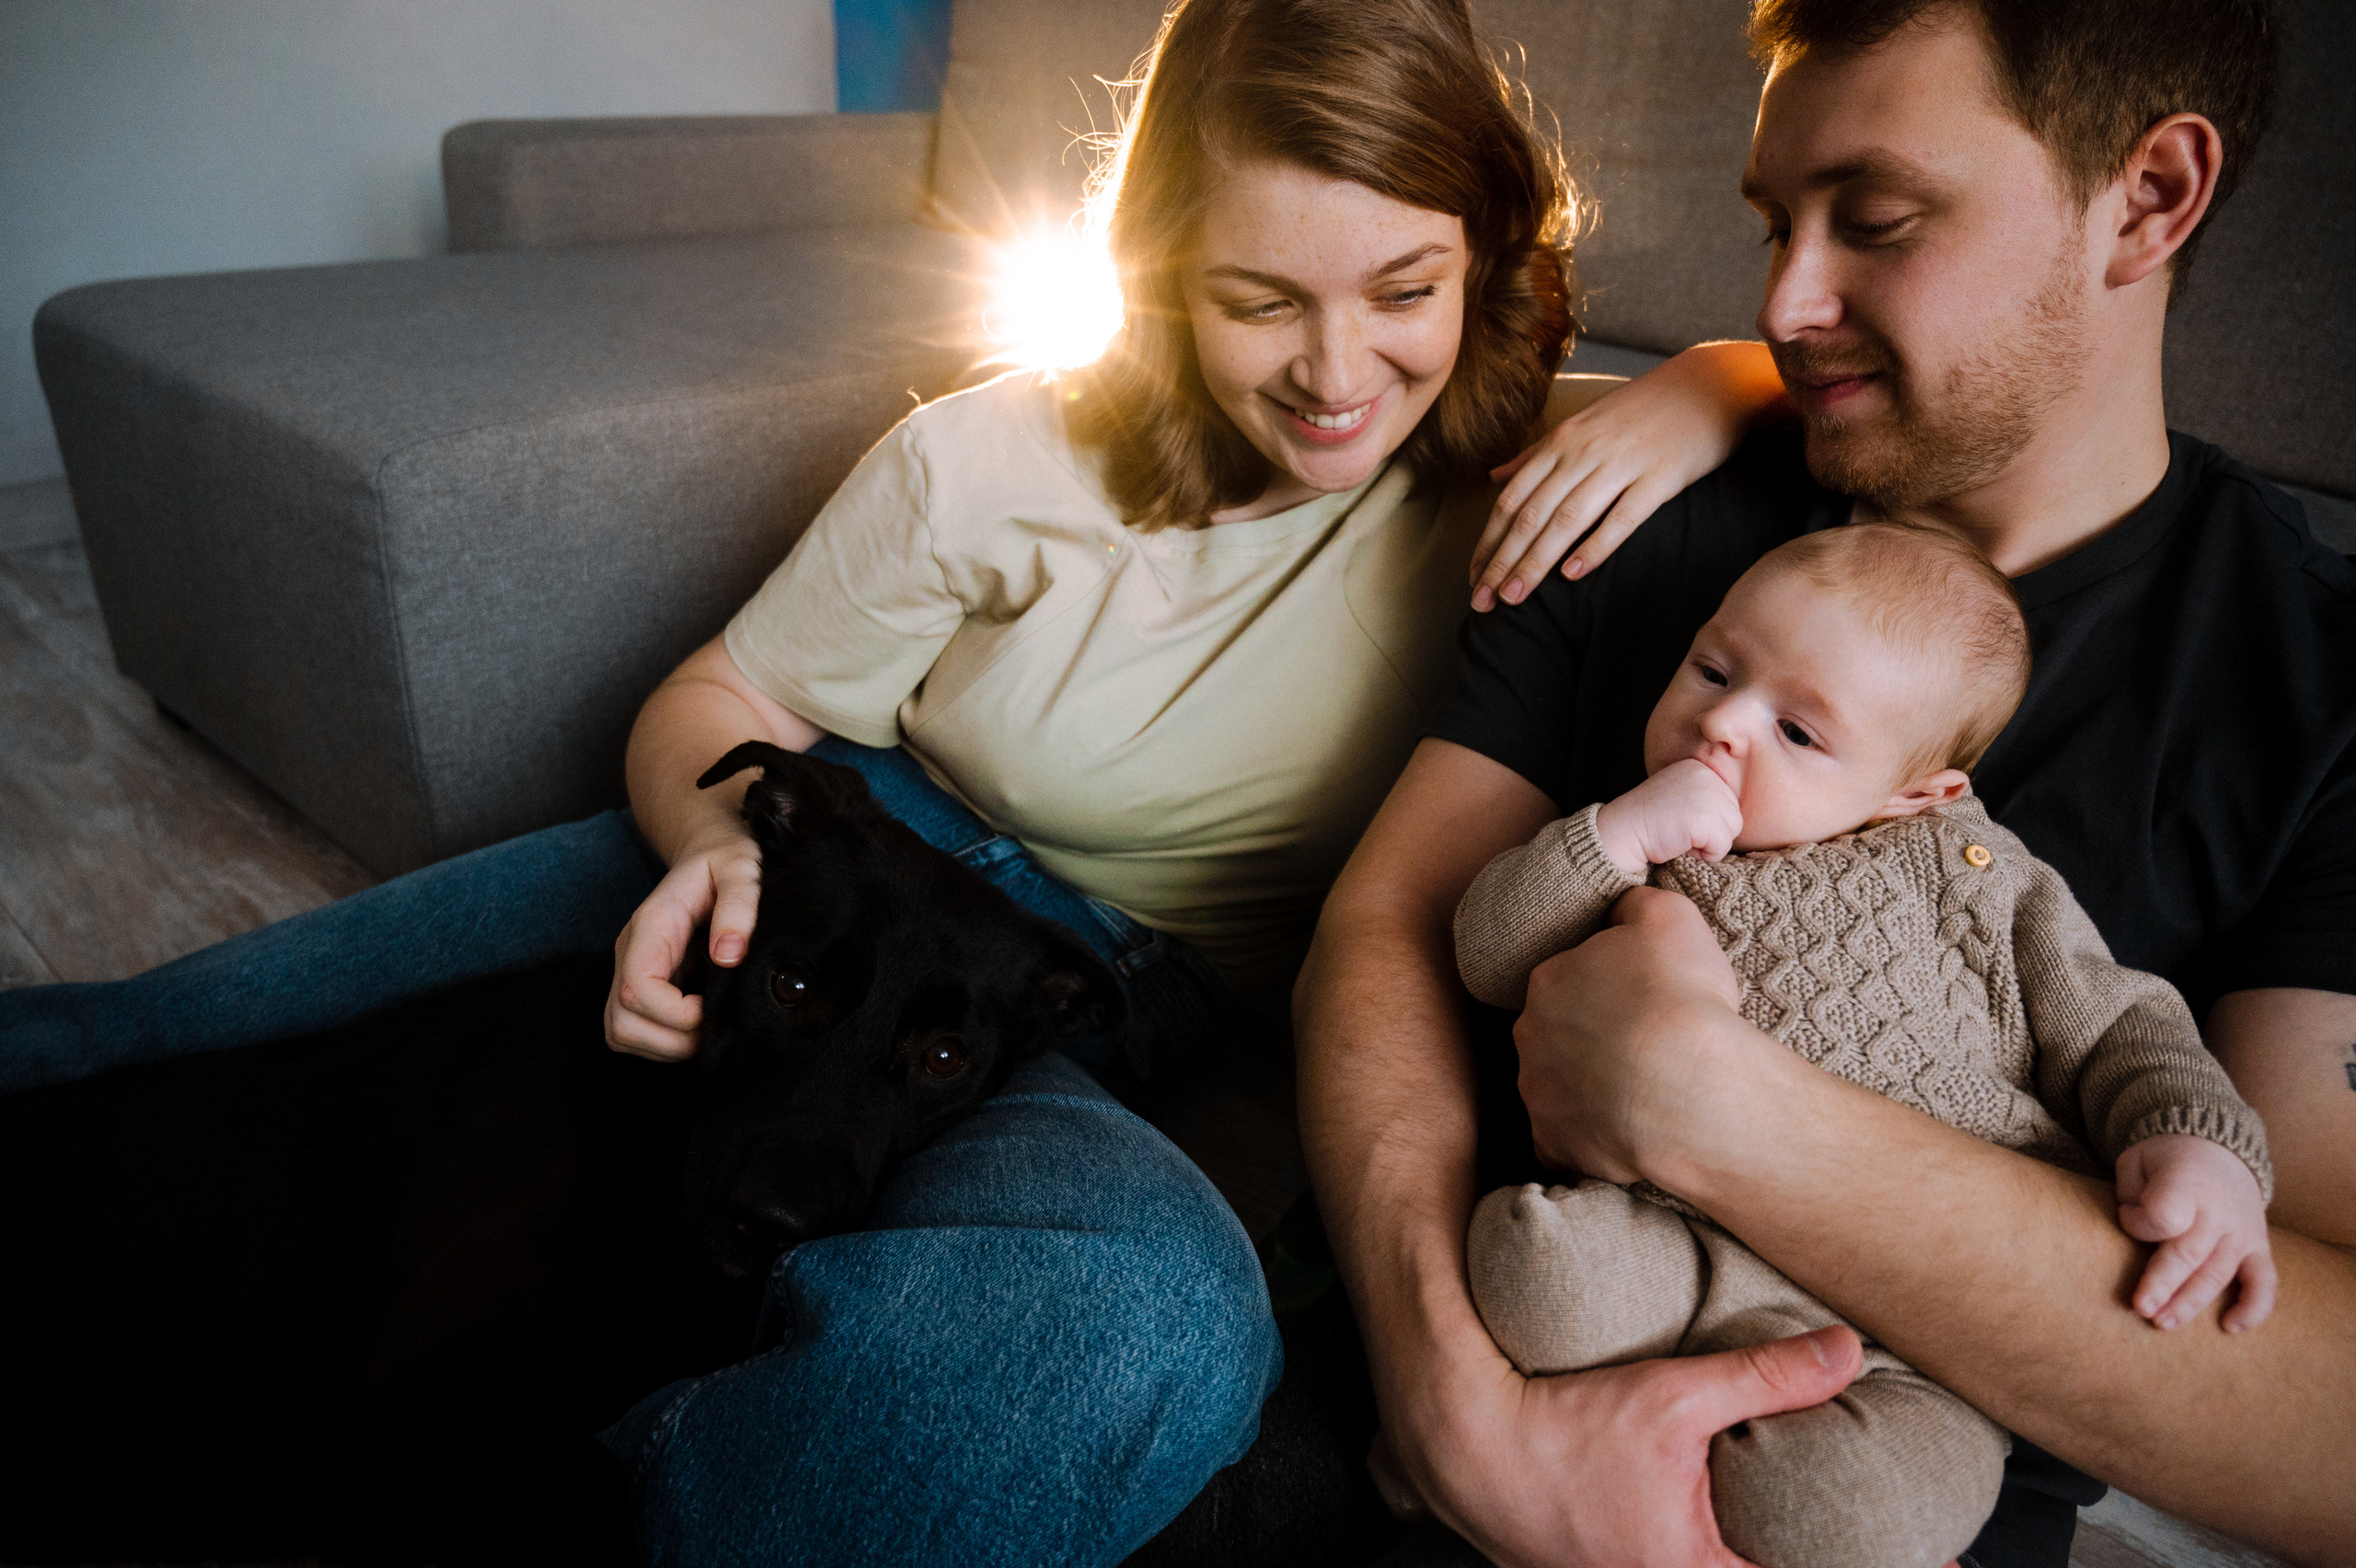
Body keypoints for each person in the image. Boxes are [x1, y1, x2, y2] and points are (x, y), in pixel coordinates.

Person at [0, 1, 1800, 1562]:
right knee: (180, 1020)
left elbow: (1833, 420)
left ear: (1481, 253)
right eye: (1257, 301)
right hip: (848, 868)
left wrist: (1705, 377)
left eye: (1402, 290)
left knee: (1152, 1329)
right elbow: (724, 692)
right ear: (1164, 267)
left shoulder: (1532, 463)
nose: (1337, 374)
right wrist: (716, 845)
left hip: (1102, 1020)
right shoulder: (998, 452)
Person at [1295, 1, 2356, 1565]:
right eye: (1774, 223)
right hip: (1500, 1365)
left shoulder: (2315, 688)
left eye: (1875, 221)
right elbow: (1386, 927)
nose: (1786, 302)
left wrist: (1727, 1118)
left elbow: (2319, 1397)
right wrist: (1466, 1416)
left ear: (2148, 196)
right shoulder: (1657, 506)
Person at [1449, 524, 2273, 1568]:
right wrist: (1616, 835)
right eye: (1711, 668)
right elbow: (1485, 955)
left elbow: (2117, 1020)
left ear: (1914, 792)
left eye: (1798, 733)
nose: (1721, 725)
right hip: (1680, 1244)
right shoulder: (1638, 841)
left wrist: (2194, 1136)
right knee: (1535, 1280)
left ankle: (1805, 1486)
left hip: (1924, 1329)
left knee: (1871, 1513)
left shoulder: (1975, 873)